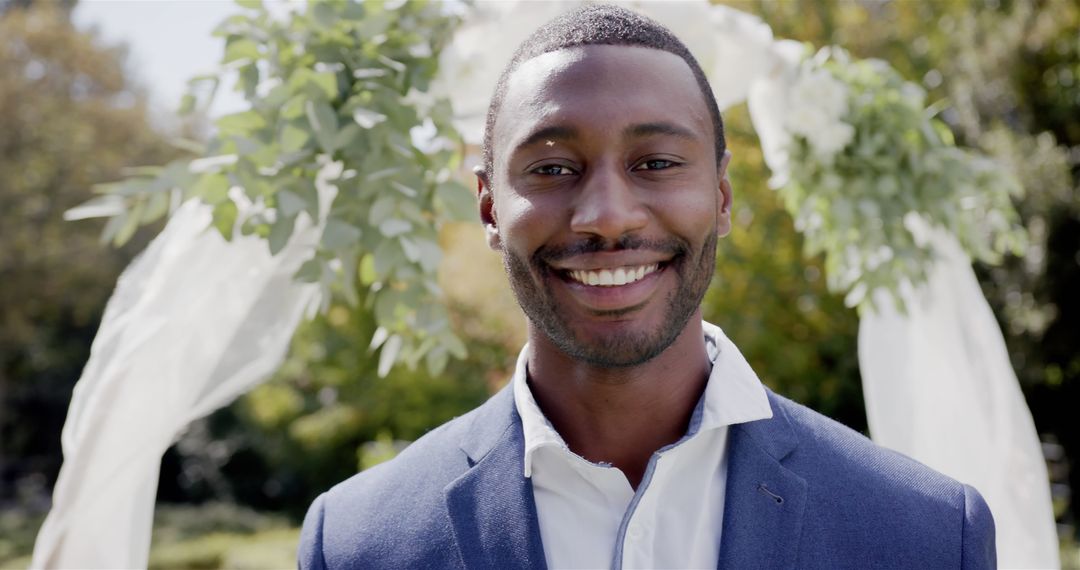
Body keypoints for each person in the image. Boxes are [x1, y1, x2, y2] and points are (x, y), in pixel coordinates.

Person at [298, 5, 996, 569]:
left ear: (722, 197)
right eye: (551, 169)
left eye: (657, 161)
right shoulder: (358, 542)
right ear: (487, 207)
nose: (606, 216)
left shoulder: (928, 536)